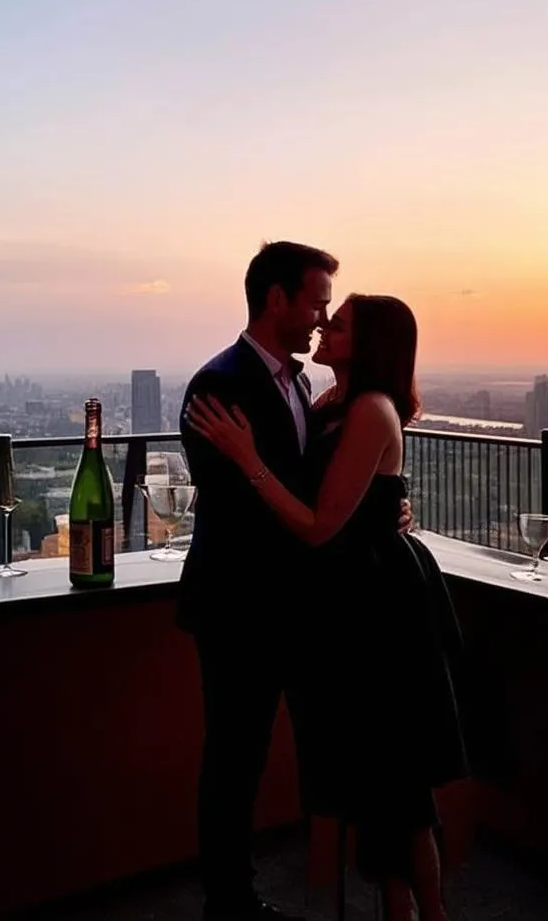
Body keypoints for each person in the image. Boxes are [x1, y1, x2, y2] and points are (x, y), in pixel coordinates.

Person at [187, 294, 469, 921]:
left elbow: (317, 525)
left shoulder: (368, 410)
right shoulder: (329, 403)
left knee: (396, 782)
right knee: (377, 779)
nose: (323, 324)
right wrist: (387, 504)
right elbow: (348, 497)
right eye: (324, 313)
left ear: (366, 344)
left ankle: (432, 913)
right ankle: (400, 910)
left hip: (376, 610)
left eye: (336, 322)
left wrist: (246, 457)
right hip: (345, 604)